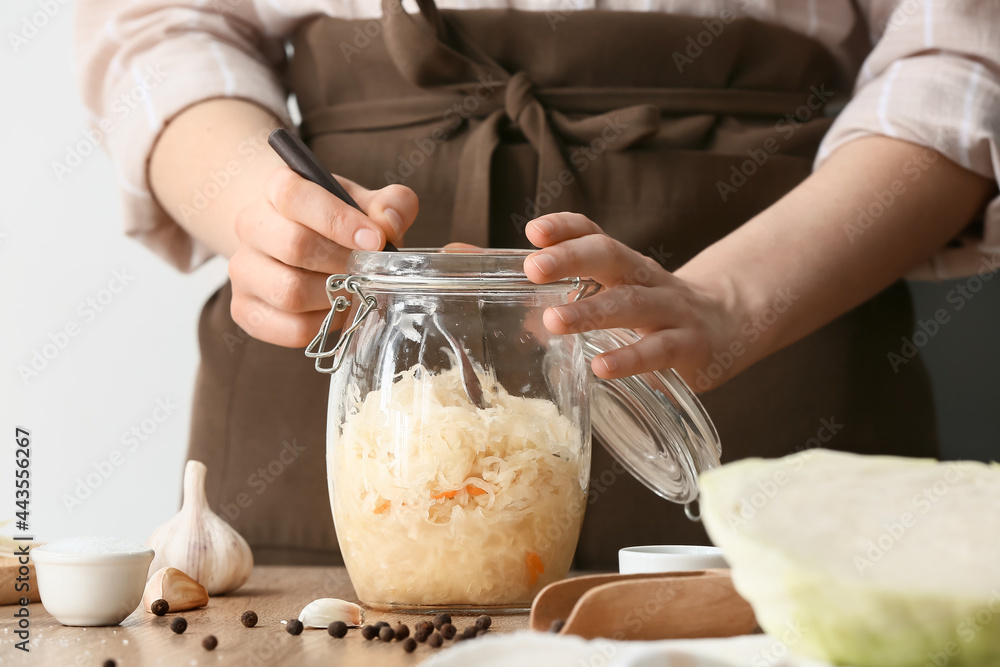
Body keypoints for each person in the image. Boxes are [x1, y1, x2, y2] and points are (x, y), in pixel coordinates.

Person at [76, 0, 998, 568]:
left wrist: (731, 300)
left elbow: (959, 56)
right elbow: (157, 28)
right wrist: (259, 205)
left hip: (783, 353)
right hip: (348, 358)